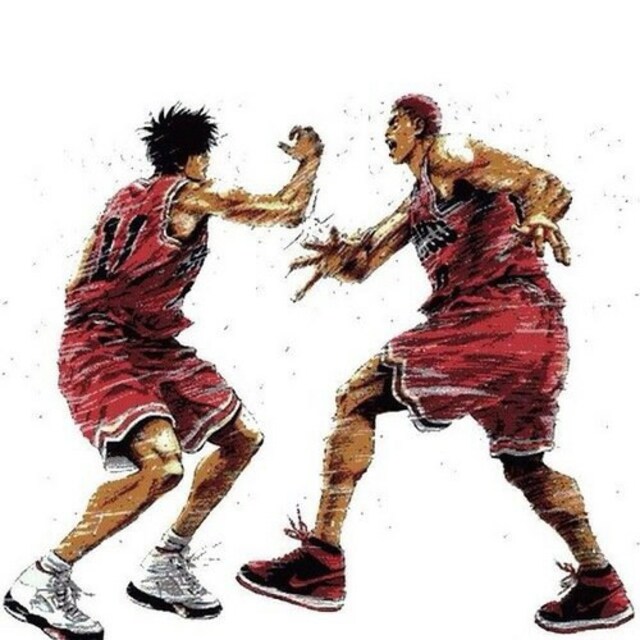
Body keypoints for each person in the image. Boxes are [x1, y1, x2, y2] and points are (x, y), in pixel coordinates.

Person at [237, 95, 633, 633]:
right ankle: (599, 582)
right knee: (525, 466)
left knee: (356, 397)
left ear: (419, 126)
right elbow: (365, 261)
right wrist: (338, 259)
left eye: (393, 122)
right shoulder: (418, 199)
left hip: (493, 318)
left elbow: (545, 183)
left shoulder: (450, 152)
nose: (385, 133)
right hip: (537, 334)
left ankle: (321, 561)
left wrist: (539, 212)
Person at [4, 105, 323, 640]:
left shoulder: (124, 199)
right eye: (207, 155)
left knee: (242, 438)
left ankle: (164, 564)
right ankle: (44, 577)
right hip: (104, 347)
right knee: (162, 466)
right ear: (195, 157)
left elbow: (77, 280)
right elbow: (287, 211)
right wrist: (310, 161)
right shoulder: (188, 195)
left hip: (148, 345)